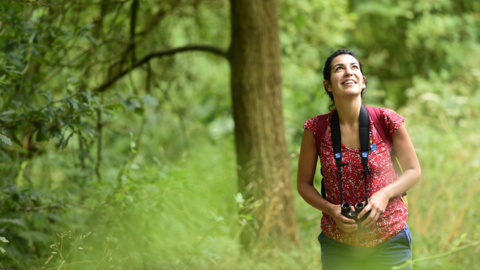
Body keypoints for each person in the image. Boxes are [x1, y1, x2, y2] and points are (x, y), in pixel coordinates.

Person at [297, 49, 421, 270]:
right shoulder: (316, 128)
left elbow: (413, 170)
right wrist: (331, 209)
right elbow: (303, 185)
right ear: (328, 85)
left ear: (363, 82)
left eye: (354, 67)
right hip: (338, 244)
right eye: (339, 68)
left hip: (390, 239)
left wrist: (384, 194)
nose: (348, 72)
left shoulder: (386, 120)